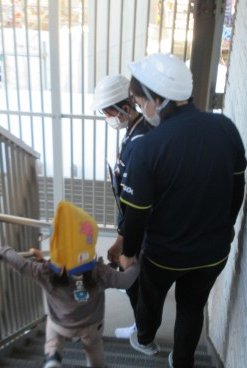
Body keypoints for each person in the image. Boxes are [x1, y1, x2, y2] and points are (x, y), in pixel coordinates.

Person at [118, 53, 247, 368]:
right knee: (193, 305)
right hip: (212, 251)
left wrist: (129, 253)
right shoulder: (225, 128)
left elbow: (136, 214)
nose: (141, 109)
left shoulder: (149, 148)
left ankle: (145, 340)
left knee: (150, 299)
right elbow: (237, 186)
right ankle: (182, 365)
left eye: (140, 102)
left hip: (165, 254)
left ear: (157, 99)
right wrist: (227, 228)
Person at [0, 200, 139, 368]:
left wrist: (4, 251)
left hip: (62, 324)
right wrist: (134, 265)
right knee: (94, 347)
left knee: (51, 329)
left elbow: (23, 266)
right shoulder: (100, 272)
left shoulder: (46, 272)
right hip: (92, 326)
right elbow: (126, 281)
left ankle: (53, 357)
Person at [92, 74, 152, 339]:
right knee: (133, 276)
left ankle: (142, 330)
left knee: (136, 280)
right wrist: (121, 236)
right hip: (132, 224)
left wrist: (125, 244)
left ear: (126, 108)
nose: (107, 118)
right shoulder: (134, 132)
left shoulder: (141, 140)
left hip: (141, 227)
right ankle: (142, 323)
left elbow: (136, 202)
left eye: (108, 113)